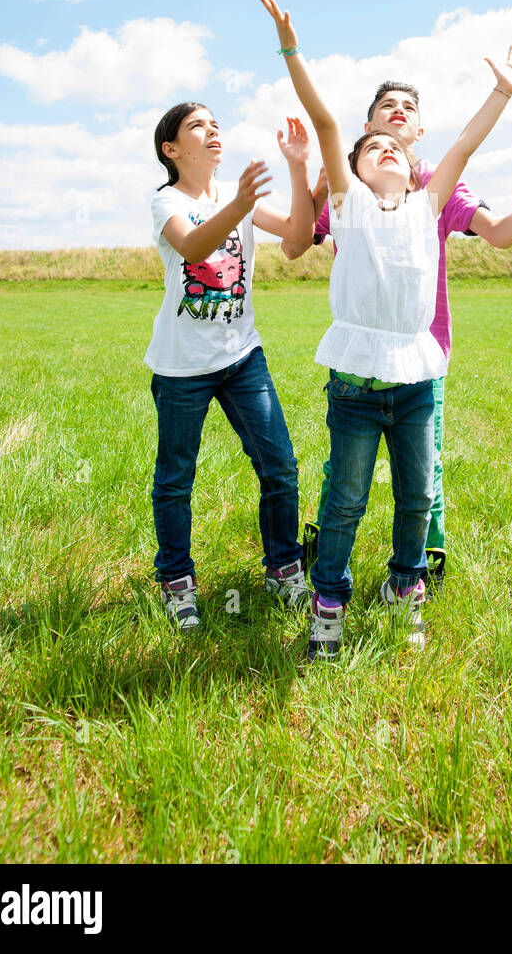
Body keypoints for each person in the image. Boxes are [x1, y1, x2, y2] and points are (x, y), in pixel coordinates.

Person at [258, 0, 512, 661]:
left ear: (413, 161)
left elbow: (469, 142)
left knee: (418, 495)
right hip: (355, 385)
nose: (386, 148)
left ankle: (403, 587)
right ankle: (329, 603)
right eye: (373, 145)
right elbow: (327, 121)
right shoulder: (348, 207)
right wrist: (290, 49)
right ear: (353, 170)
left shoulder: (430, 203)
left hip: (417, 381)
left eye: (397, 143)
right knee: (346, 500)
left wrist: (500, 93)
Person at [284, 81, 512, 587]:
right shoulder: (351, 193)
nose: (398, 114)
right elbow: (296, 238)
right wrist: (309, 181)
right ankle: (329, 559)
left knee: (422, 475)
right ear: (367, 130)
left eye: (409, 109)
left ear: (417, 134)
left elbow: (493, 221)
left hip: (421, 355)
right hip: (360, 361)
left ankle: (417, 567)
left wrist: (501, 95)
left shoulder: (432, 188)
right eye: (387, 107)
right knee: (345, 475)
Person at [145, 101, 317, 629]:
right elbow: (196, 246)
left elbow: (296, 240)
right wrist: (242, 204)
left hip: (242, 358)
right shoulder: (167, 201)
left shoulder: (235, 198)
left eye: (215, 123)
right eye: (198, 125)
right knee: (177, 478)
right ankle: (177, 581)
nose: (212, 130)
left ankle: (284, 568)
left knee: (280, 465)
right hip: (181, 369)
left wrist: (303, 170)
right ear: (172, 149)